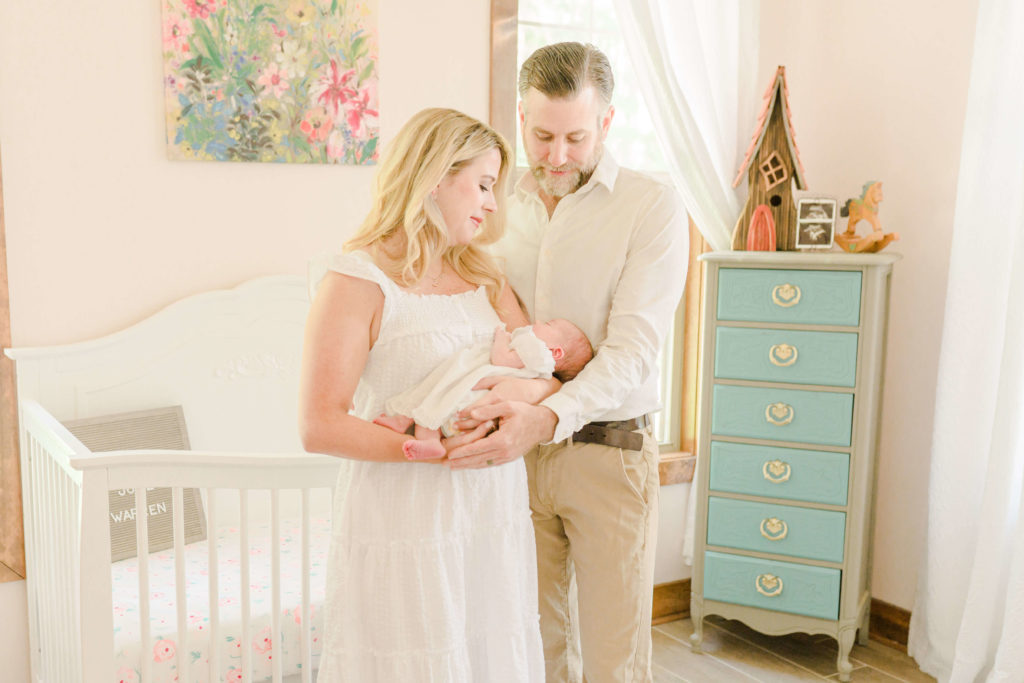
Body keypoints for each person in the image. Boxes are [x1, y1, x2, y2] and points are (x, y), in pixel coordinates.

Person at [447, 42, 689, 682]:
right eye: (542, 135)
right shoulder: (493, 206)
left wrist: (547, 414)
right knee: (528, 649)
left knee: (614, 661)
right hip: (514, 458)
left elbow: (632, 355)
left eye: (576, 137)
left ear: (607, 123)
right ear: (519, 119)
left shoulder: (652, 207)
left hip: (608, 455)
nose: (557, 157)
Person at [298, 107, 547, 682]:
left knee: (488, 649)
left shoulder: (487, 278)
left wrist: (510, 400)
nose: (491, 204)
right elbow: (319, 424)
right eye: (483, 185)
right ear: (435, 176)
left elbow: (542, 374)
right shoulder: (357, 280)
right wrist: (422, 447)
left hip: (490, 505)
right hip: (404, 511)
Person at [375, 318, 593, 460]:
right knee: (439, 395)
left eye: (548, 325)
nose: (538, 322)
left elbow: (502, 358)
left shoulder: (537, 351)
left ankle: (423, 435)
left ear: (556, 353)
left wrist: (501, 337)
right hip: (480, 404)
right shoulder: (539, 362)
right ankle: (421, 433)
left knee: (441, 394)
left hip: (478, 392)